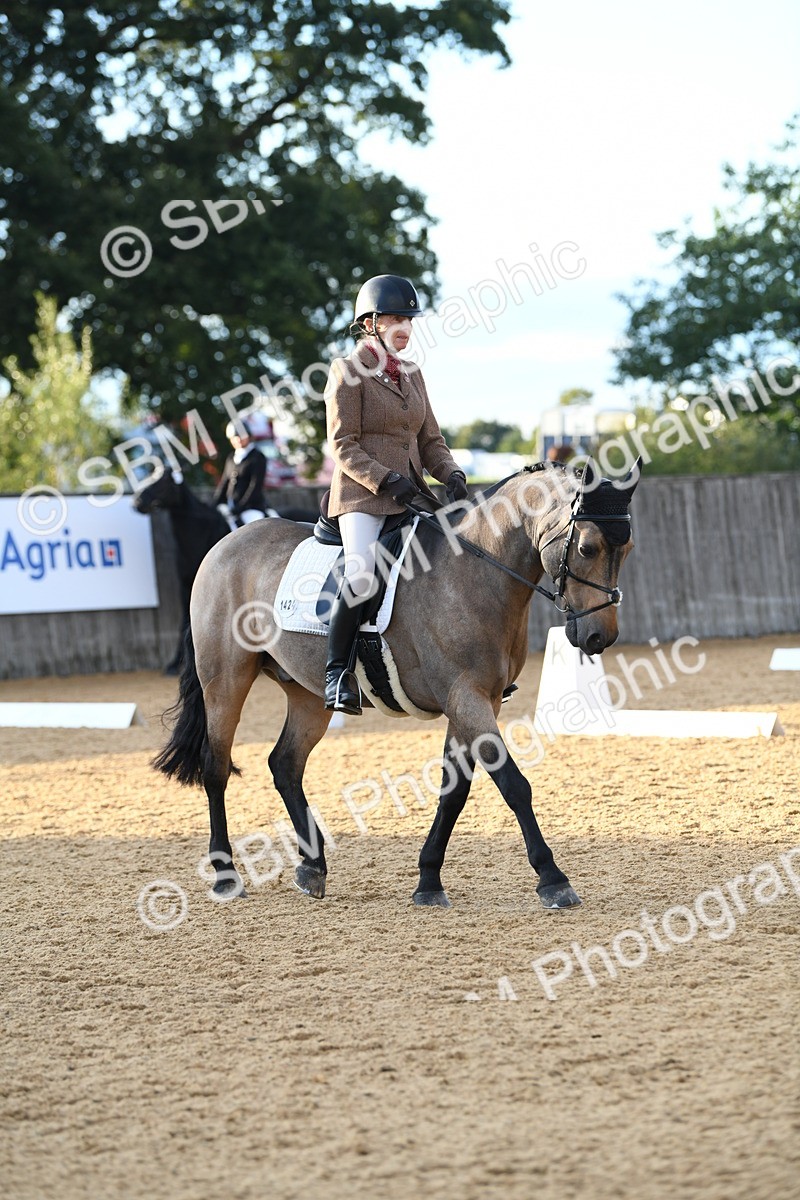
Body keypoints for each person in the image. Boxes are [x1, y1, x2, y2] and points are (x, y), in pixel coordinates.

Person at [323, 273, 469, 715]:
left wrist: (453, 474)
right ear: (370, 323)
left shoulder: (412, 374)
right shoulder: (346, 371)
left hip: (412, 495)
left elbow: (430, 441)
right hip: (364, 498)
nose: (405, 325)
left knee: (458, 558)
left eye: (409, 318)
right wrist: (385, 479)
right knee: (364, 573)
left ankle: (469, 666)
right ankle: (336, 673)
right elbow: (342, 444)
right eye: (395, 318)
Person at [213, 417, 269, 528]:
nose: (238, 439)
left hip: (251, 508)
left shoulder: (257, 457)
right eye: (234, 437)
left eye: (241, 436)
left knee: (255, 531)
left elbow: (255, 486)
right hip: (231, 508)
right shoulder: (231, 458)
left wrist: (240, 507)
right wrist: (216, 502)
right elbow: (225, 482)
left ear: (248, 436)